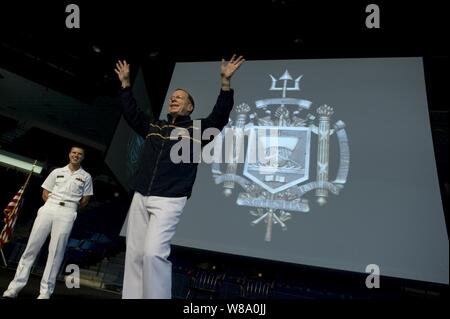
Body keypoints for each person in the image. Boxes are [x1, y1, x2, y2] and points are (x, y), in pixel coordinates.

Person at [114, 55, 245, 299]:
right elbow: (130, 112)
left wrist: (225, 82)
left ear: (189, 107)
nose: (174, 98)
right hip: (141, 194)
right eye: (173, 96)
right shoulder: (154, 126)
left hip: (170, 198)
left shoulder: (197, 130)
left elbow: (220, 116)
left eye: (180, 97)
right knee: (134, 254)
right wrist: (125, 84)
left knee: (153, 253)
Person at [2, 146, 93, 299]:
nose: (76, 155)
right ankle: (14, 288)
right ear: (69, 154)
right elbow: (45, 191)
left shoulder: (86, 176)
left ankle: (45, 292)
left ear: (83, 157)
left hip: (68, 211)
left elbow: (85, 200)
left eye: (79, 154)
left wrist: (71, 208)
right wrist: (51, 204)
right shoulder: (57, 172)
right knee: (31, 248)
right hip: (49, 207)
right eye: (74, 153)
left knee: (56, 252)